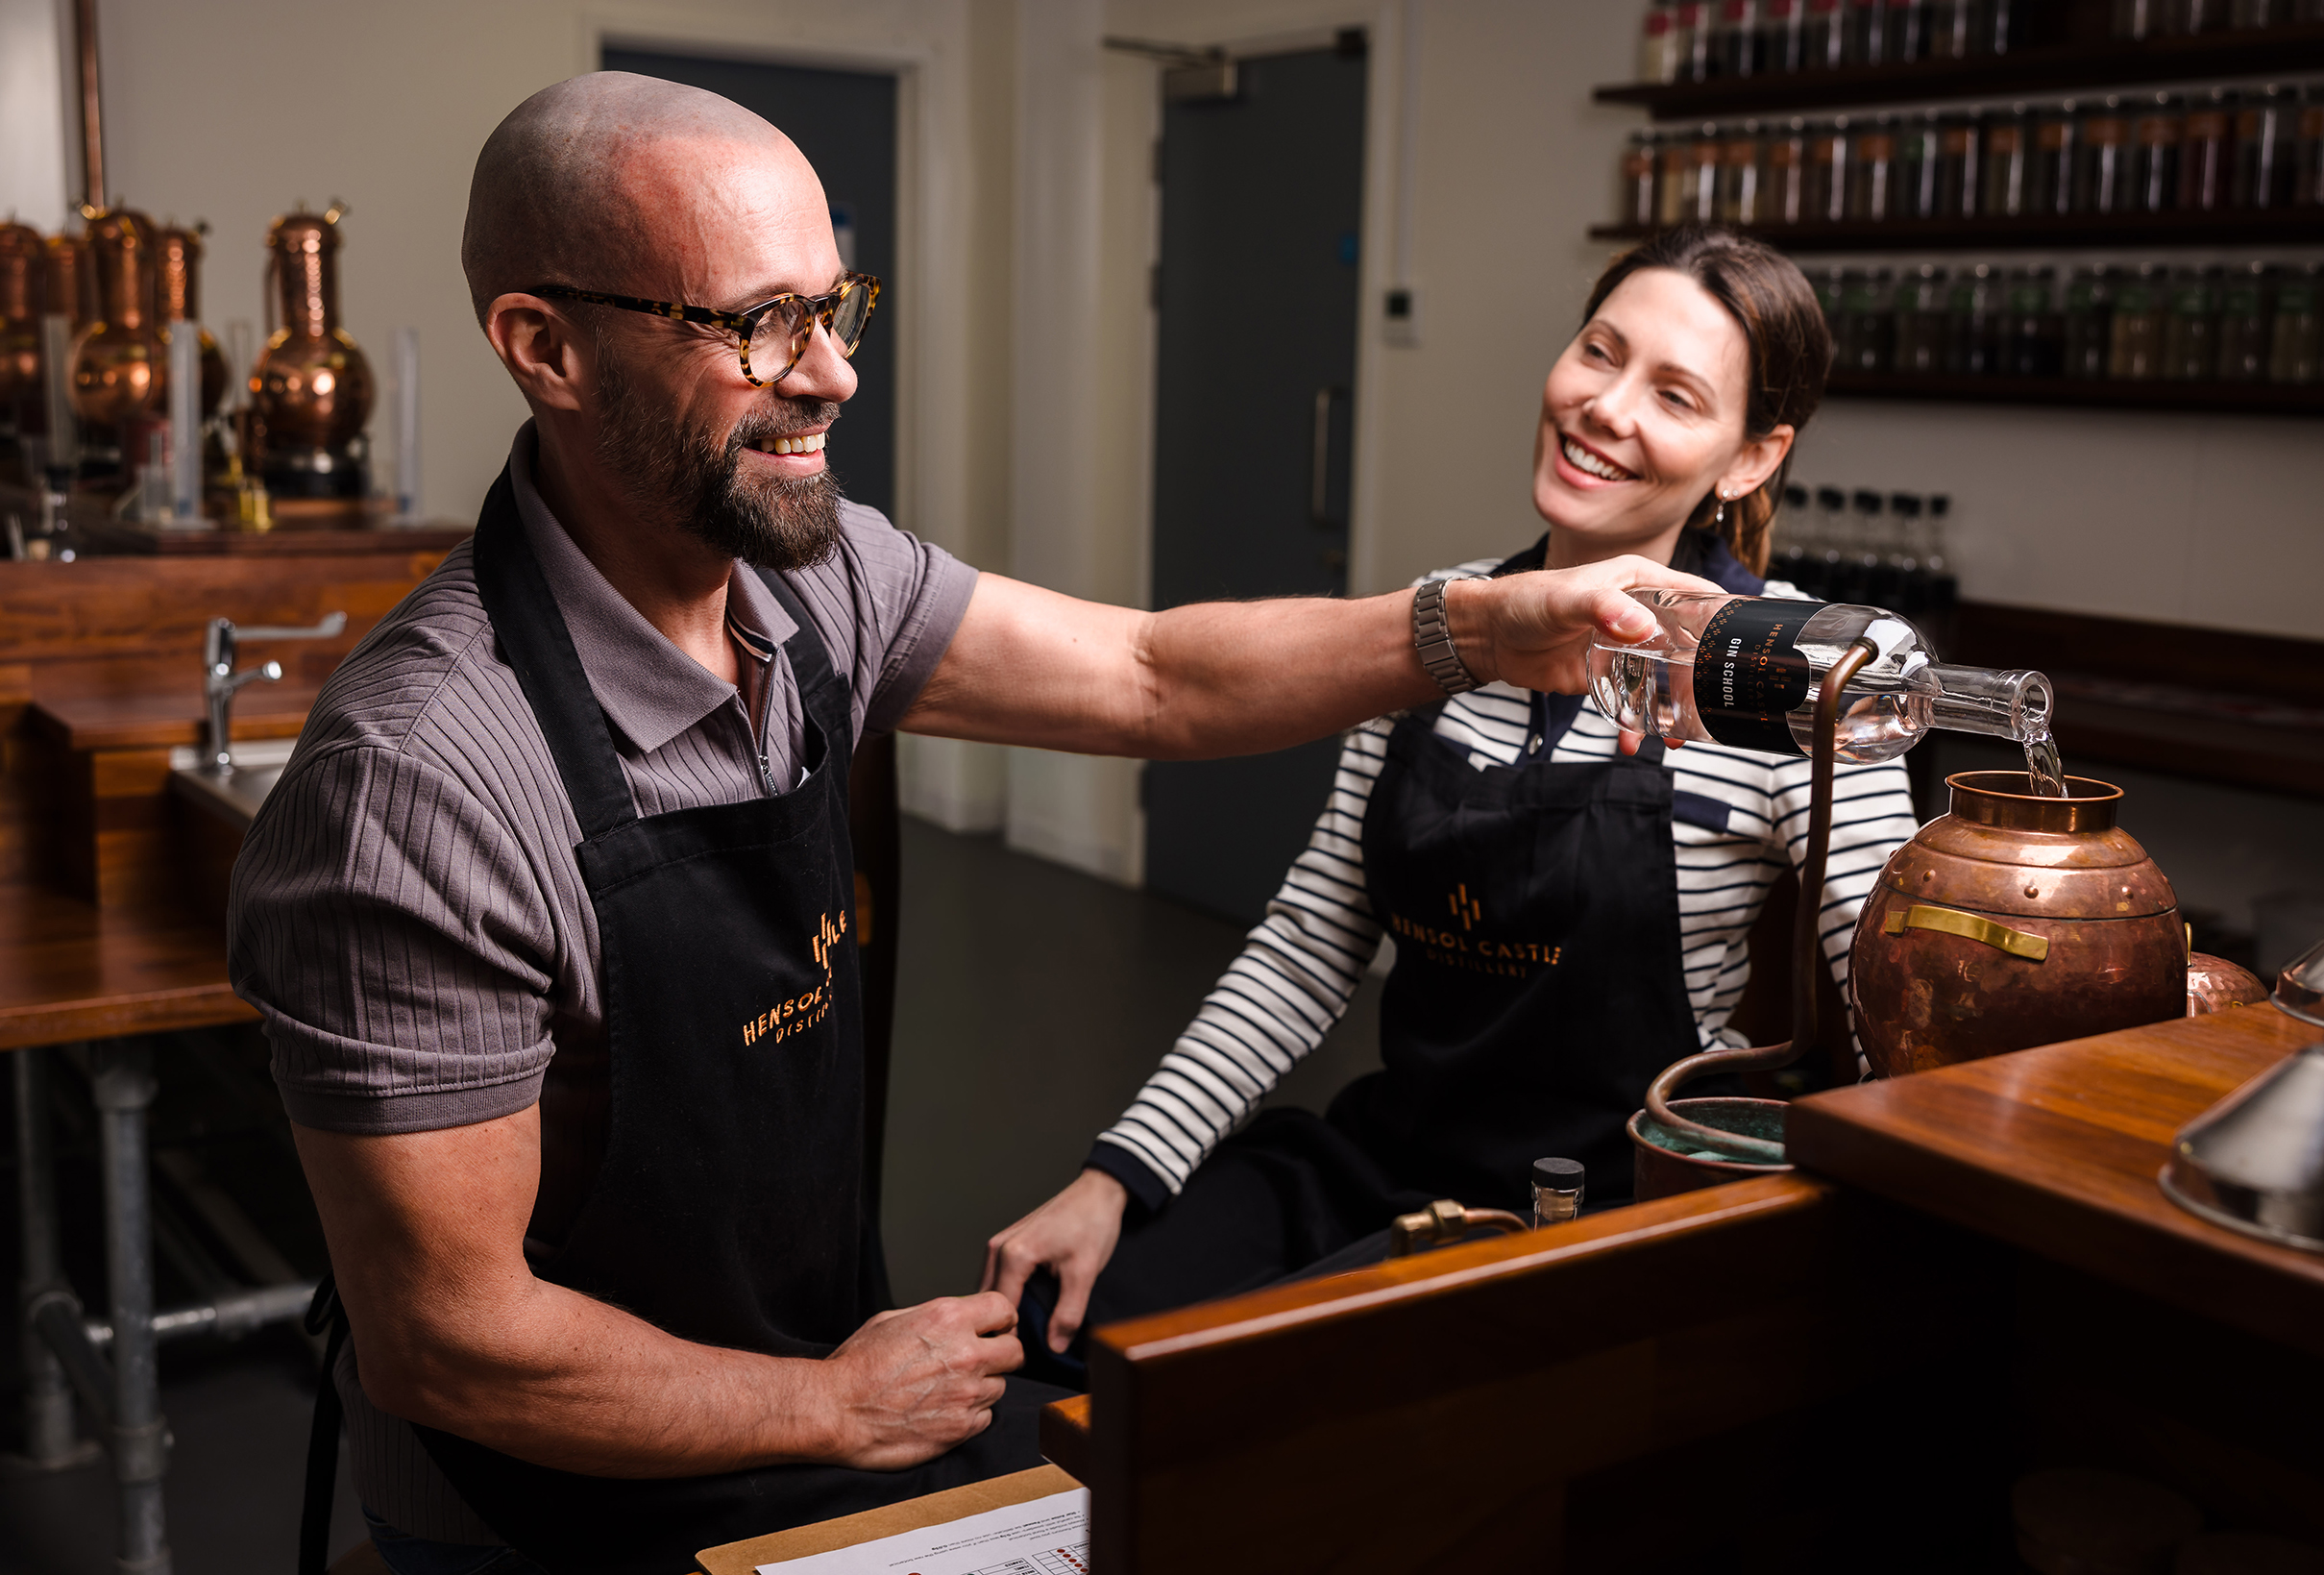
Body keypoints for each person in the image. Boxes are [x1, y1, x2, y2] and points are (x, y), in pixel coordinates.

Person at [228, 75, 1716, 1575]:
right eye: (758, 324)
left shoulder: (815, 586)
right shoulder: (420, 784)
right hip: (544, 1514)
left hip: (805, 1410)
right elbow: (453, 1342)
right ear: (545, 346)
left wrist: (1478, 624)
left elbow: (1151, 676)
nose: (832, 376)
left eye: (835, 307)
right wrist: (828, 1399)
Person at [981, 225, 1922, 1380]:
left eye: (1673, 394)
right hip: (1386, 1168)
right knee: (1049, 1330)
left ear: (1748, 457)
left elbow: (1900, 1001)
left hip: (1611, 1207)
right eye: (1598, 351)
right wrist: (1118, 1174)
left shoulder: (1796, 670)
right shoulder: (1438, 626)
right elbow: (1307, 947)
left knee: (1283, 1414)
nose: (1604, 407)